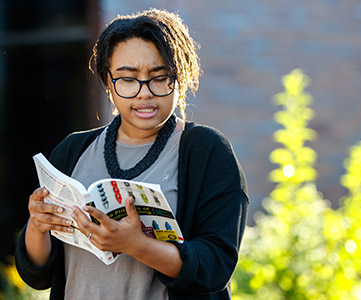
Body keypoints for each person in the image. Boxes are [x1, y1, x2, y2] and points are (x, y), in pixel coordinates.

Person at [15, 8, 248, 300]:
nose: (144, 92)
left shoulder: (207, 151)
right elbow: (37, 274)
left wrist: (136, 245)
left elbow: (215, 266)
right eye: (127, 78)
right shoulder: (73, 151)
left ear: (180, 78)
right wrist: (38, 226)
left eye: (159, 76)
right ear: (108, 83)